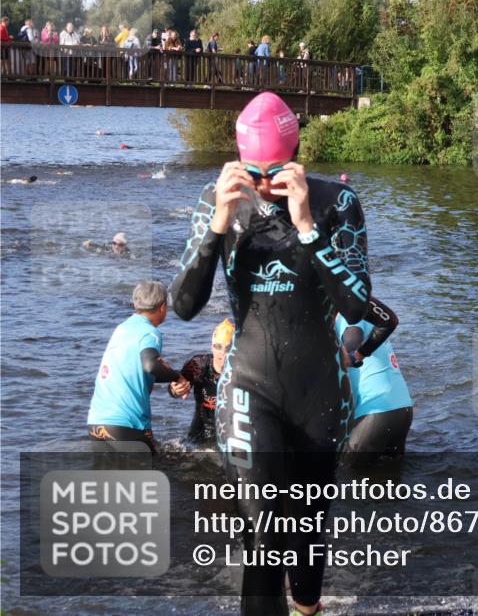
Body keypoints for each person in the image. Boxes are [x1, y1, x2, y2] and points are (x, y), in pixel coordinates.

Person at [170, 91, 370, 616]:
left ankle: (307, 606)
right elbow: (184, 305)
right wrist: (217, 223)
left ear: (297, 152)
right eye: (253, 172)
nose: (263, 185)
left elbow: (359, 305)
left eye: (275, 172)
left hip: (320, 394)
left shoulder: (335, 203)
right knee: (264, 539)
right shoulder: (220, 202)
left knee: (306, 534)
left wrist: (306, 226)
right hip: (250, 388)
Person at [87, 281, 191, 451]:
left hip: (97, 423)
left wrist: (168, 374)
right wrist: (176, 377)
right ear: (163, 307)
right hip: (126, 425)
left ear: (136, 304)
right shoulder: (149, 332)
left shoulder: (122, 328)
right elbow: (150, 365)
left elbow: (135, 371)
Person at [336, 297, 413, 467]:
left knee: (347, 478)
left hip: (377, 412)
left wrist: (348, 353)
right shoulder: (365, 313)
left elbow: (353, 336)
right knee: (390, 481)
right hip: (402, 408)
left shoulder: (346, 316)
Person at [179, 318, 234, 447]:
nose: (222, 353)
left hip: (231, 430)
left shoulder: (243, 370)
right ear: (212, 348)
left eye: (228, 348)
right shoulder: (198, 365)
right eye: (218, 347)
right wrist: (176, 389)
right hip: (201, 427)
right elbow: (174, 388)